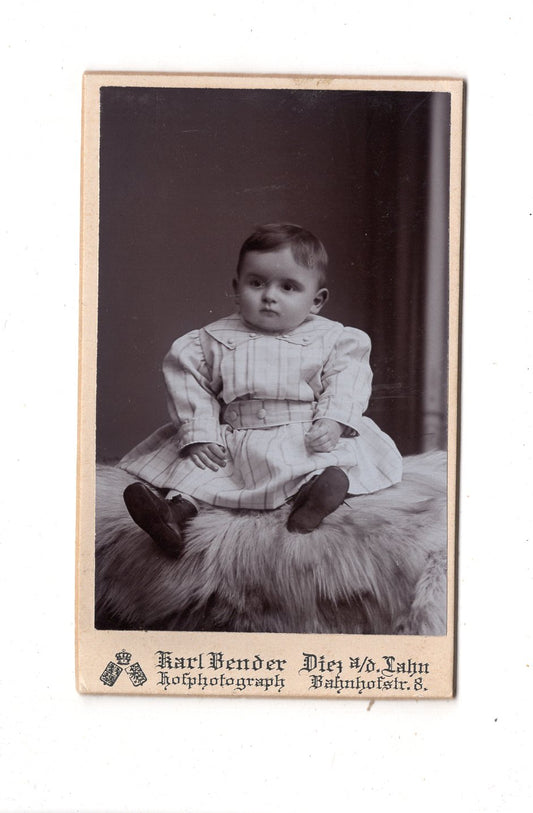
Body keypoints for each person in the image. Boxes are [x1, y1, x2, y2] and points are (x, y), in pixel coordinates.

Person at [119, 223, 402, 556]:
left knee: (316, 463)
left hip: (303, 433)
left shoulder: (335, 339)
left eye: (288, 287)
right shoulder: (208, 340)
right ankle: (173, 514)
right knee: (201, 471)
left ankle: (315, 497)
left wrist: (334, 420)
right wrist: (201, 433)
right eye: (256, 283)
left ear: (317, 300)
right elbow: (189, 384)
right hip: (235, 436)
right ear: (237, 288)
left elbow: (347, 381)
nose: (269, 295)